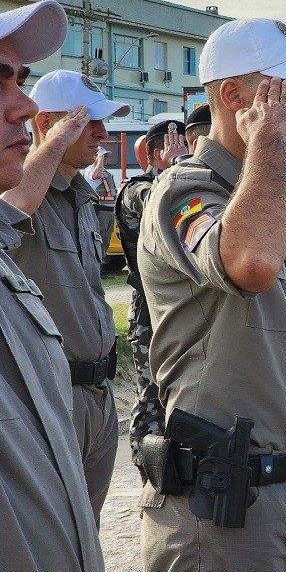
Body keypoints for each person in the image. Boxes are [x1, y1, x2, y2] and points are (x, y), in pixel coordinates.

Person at [136, 17, 286, 572]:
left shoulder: (259, 191)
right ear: (234, 96)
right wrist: (270, 142)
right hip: (224, 514)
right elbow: (249, 262)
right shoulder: (187, 188)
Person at [0, 0, 105, 572]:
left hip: (91, 395)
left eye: (22, 83)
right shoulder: (20, 206)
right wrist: (51, 144)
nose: (22, 105)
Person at [3, 68, 130, 525]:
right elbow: (10, 208)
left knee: (83, 536)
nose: (102, 133)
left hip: (96, 394)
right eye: (87, 121)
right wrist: (52, 143)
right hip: (49, 395)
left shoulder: (80, 195)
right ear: (46, 124)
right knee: (49, 535)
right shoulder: (19, 186)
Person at [115, 118, 188, 482]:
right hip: (148, 312)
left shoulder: (172, 180)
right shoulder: (136, 191)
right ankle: (148, 470)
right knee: (151, 396)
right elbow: (164, 207)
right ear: (159, 152)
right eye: (181, 146)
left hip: (175, 307)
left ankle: (174, 466)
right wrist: (178, 168)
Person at [84, 146, 118, 263]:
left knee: (106, 239)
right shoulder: (91, 170)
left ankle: (101, 266)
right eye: (104, 156)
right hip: (100, 210)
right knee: (99, 238)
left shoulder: (106, 172)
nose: (106, 159)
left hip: (109, 210)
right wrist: (99, 160)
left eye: (106, 156)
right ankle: (96, 266)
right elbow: (96, 175)